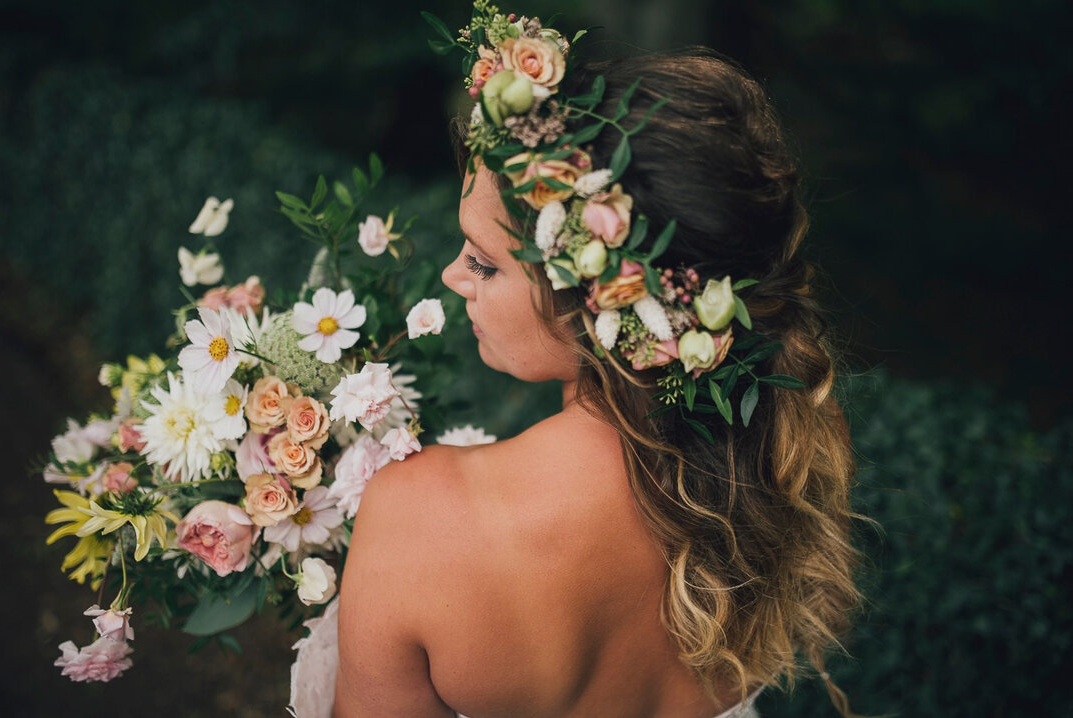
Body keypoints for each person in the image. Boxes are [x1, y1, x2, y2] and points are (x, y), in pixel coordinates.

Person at [333, 9, 860, 717]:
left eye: (485, 264)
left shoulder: (420, 517)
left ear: (597, 296)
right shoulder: (771, 464)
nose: (453, 277)